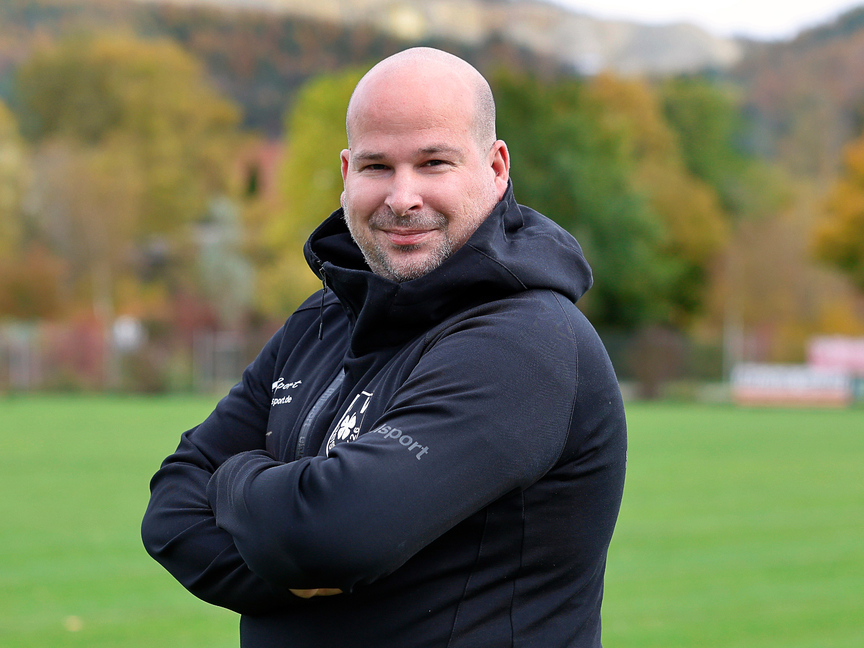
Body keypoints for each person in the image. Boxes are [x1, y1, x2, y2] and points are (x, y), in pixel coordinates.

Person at [142, 47, 627, 647]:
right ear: (347, 173)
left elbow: (329, 536)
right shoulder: (324, 318)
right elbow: (170, 511)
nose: (402, 197)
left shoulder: (525, 342)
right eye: (377, 166)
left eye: (433, 163)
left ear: (496, 167)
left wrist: (235, 479)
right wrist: (293, 560)